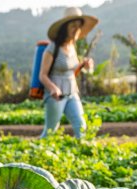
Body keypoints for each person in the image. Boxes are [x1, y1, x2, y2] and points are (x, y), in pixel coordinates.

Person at [39, 7, 99, 139]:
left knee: (81, 125)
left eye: (79, 26)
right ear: (65, 27)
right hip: (56, 96)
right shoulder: (52, 48)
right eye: (73, 26)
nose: (76, 29)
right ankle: (34, 153)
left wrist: (84, 65)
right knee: (50, 130)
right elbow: (42, 75)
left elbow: (72, 72)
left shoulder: (72, 47)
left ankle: (84, 152)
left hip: (72, 92)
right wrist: (53, 88)